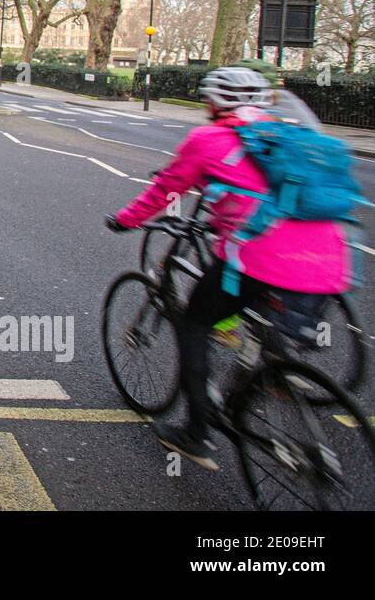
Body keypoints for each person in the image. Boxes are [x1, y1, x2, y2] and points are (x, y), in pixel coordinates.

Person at [105, 66, 351, 469]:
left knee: (195, 324)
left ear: (216, 101)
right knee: (262, 320)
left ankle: (196, 434)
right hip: (329, 261)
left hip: (261, 259)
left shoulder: (209, 139)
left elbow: (166, 189)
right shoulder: (289, 137)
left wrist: (125, 219)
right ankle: (272, 376)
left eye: (207, 98)